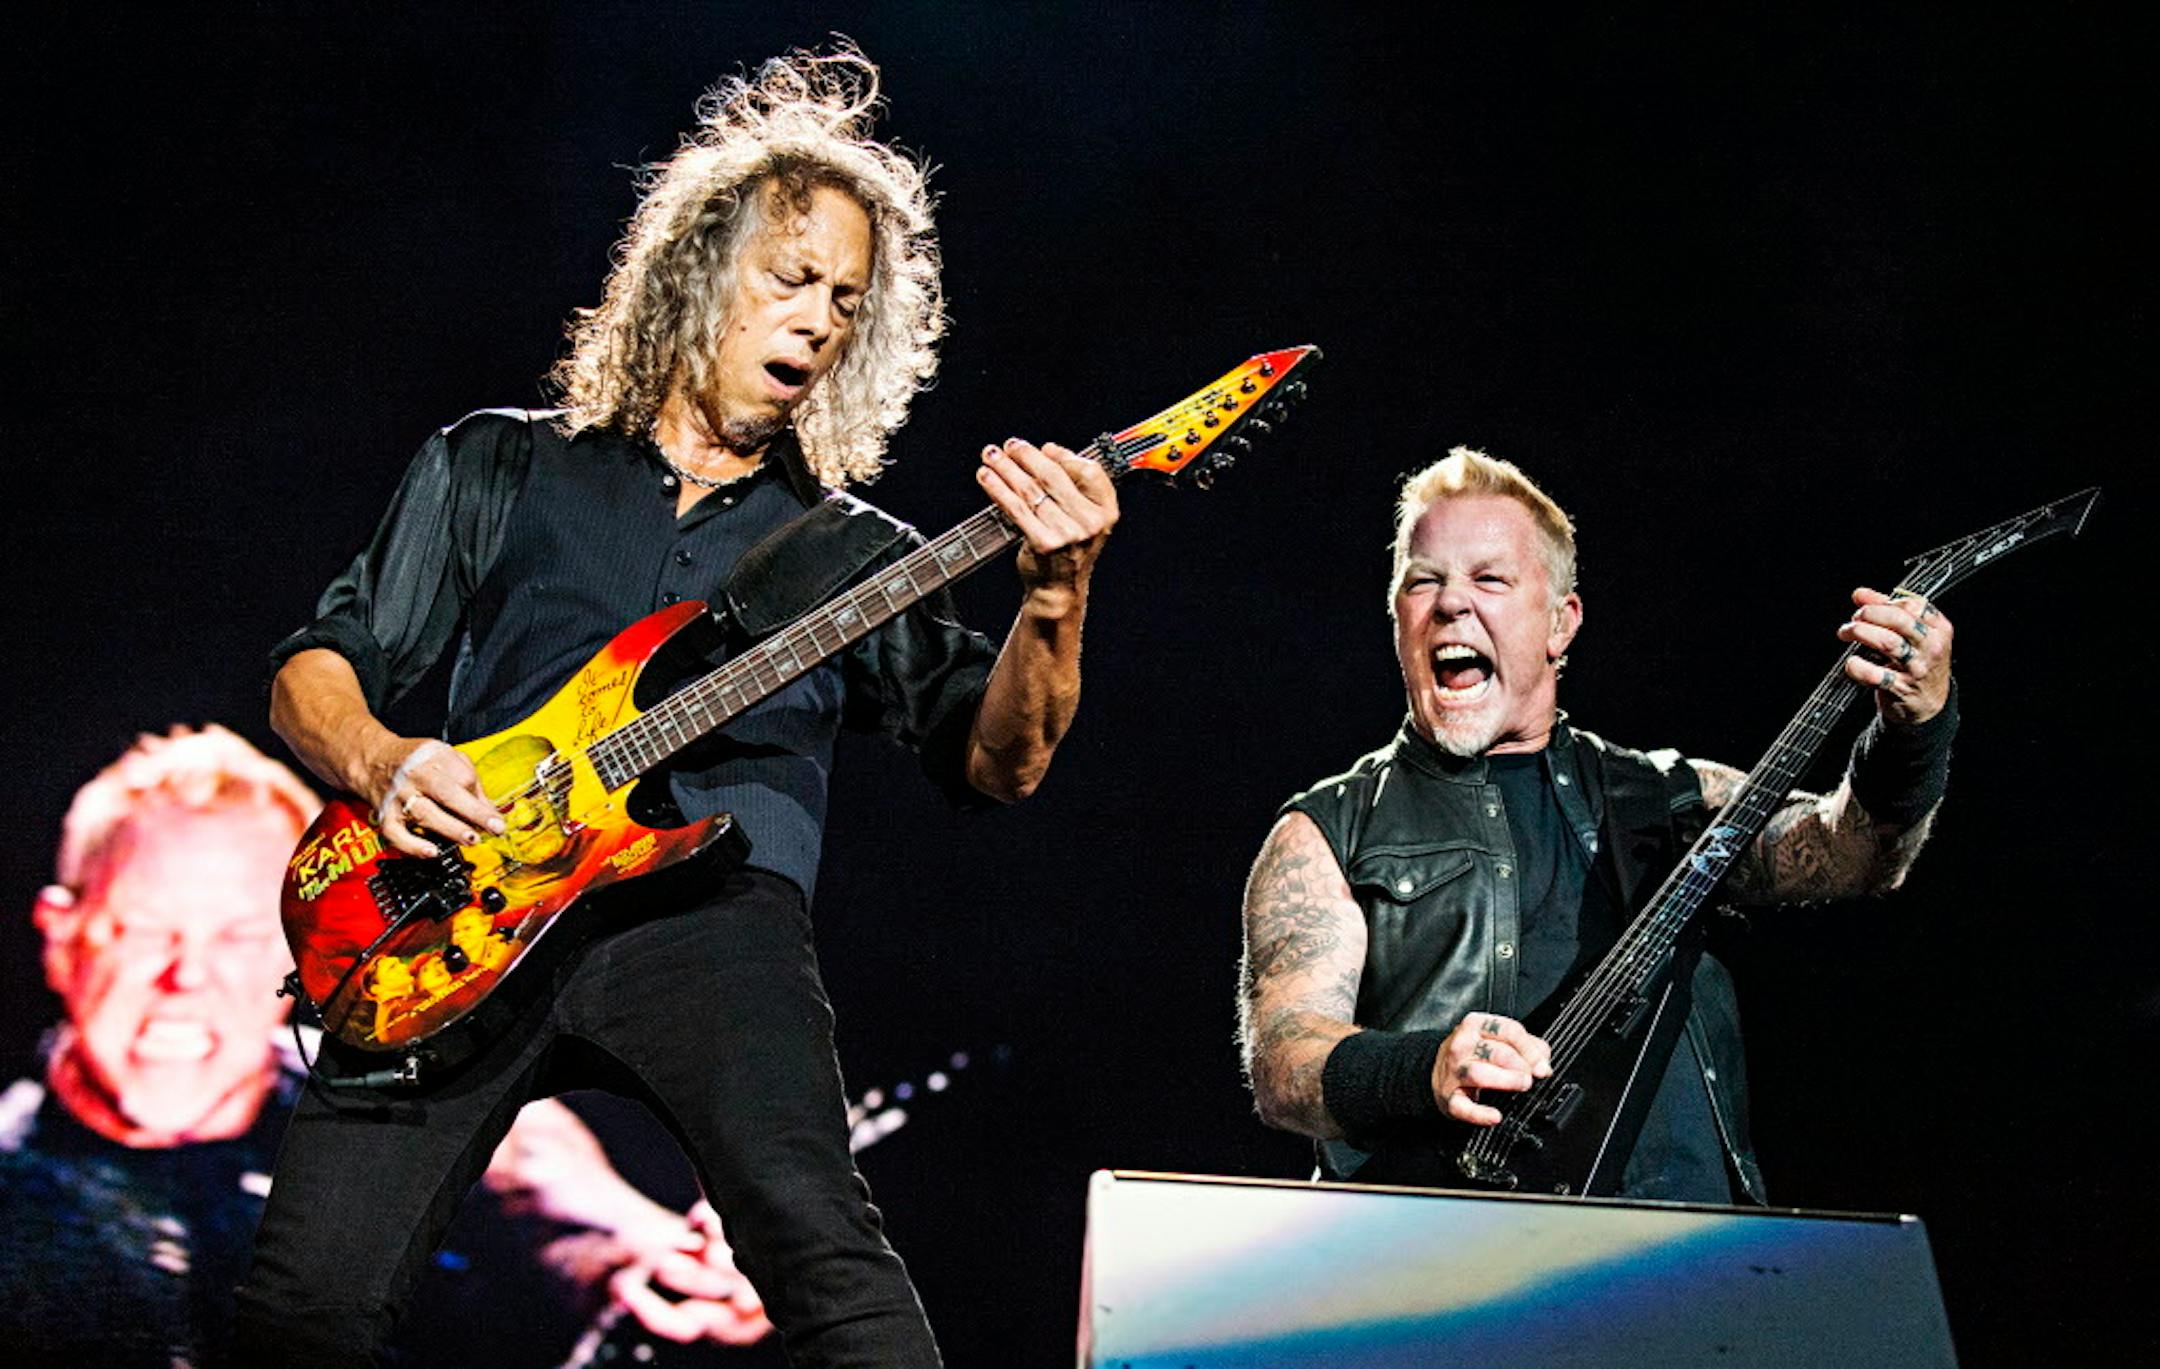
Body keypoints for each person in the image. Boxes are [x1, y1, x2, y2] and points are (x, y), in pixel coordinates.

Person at [239, 44, 1115, 1366]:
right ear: (699, 271)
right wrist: (383, 760)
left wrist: (1056, 597)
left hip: (715, 919)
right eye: (790, 278)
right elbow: (318, 664)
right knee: (303, 1308)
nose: (818, 319)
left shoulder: (854, 555)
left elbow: (1000, 763)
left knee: (833, 1270)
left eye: (846, 300)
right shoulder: (499, 461)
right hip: (459, 903)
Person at [1238, 448, 1956, 1202]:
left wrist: (1914, 734)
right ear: (1397, 618)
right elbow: (1285, 1060)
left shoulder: (1664, 795)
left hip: (1688, 1256)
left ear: (1559, 624)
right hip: (1446, 1260)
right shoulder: (1329, 829)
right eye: (1424, 580)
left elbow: (1851, 854)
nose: (1451, 603)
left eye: (1489, 578)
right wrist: (1424, 1069)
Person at [0, 726, 771, 1367]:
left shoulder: (382, 1088)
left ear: (301, 956)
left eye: (237, 936)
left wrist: (646, 1251)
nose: (187, 977)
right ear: (62, 937)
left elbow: (526, 1166)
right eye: (141, 930)